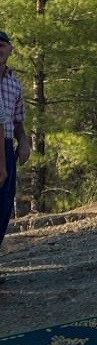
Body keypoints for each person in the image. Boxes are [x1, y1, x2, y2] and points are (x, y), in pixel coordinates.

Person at [0, 32, 31, 252]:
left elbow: (17, 121)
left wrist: (24, 142)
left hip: (6, 149)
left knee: (3, 208)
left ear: (10, 50)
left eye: (2, 45)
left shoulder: (14, 83)